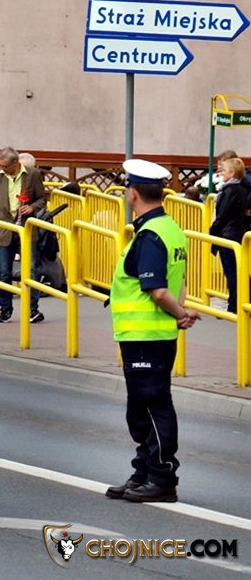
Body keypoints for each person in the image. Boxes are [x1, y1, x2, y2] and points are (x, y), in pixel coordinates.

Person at [104, 158, 200, 505]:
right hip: (151, 335)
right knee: (141, 408)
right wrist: (180, 314)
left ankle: (161, 477)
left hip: (146, 337)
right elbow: (180, 279)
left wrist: (180, 313)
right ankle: (144, 471)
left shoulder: (149, 236)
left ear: (132, 193)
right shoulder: (170, 229)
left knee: (151, 406)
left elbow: (158, 290)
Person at [0, 146, 48, 323]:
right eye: (0, 165)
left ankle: (32, 309)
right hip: (4, 229)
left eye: (5, 166)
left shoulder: (32, 174)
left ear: (15, 163)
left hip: (26, 228)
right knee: (4, 272)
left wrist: (32, 207)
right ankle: (5, 309)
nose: (2, 169)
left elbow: (42, 198)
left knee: (31, 270)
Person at [207, 155, 248, 313]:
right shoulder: (240, 189)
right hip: (236, 232)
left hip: (228, 234)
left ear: (232, 173)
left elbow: (222, 215)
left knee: (231, 271)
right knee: (236, 271)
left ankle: (233, 305)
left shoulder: (230, 190)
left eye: (223, 170)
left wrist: (213, 230)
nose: (221, 173)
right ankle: (237, 302)